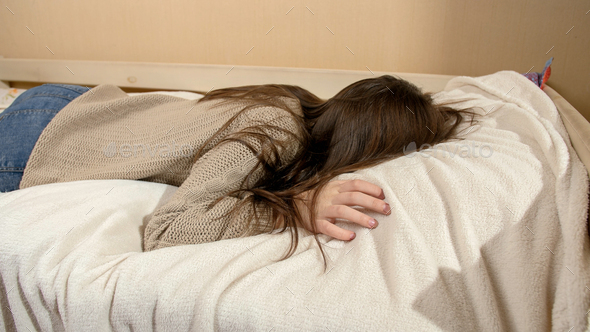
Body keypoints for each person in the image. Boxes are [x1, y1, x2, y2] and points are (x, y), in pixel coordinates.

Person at [0, 76, 472, 267]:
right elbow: (170, 229)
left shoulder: (295, 104)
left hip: (69, 101)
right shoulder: (278, 131)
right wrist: (292, 209)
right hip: (40, 141)